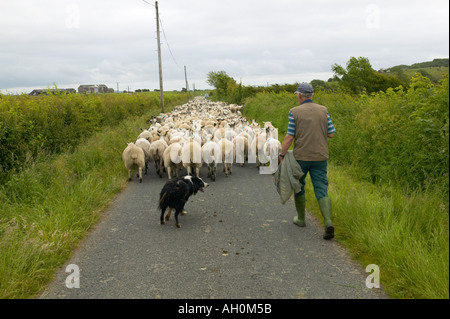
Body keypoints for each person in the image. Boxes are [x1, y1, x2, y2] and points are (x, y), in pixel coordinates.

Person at [278, 83, 336, 240]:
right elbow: (331, 134)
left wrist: (282, 154)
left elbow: (289, 136)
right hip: (320, 157)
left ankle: (301, 219)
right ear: (312, 95)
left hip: (301, 157)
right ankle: (328, 222)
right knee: (321, 188)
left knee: (299, 186)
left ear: (299, 95)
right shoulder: (324, 110)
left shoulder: (294, 112)